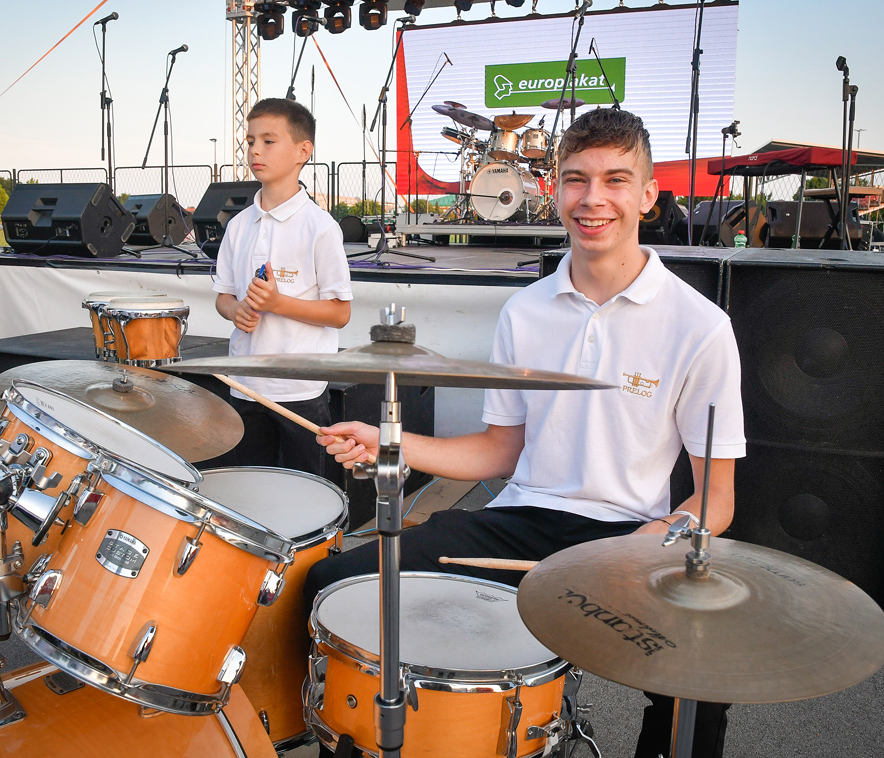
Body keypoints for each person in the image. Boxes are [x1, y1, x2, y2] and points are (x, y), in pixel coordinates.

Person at [307, 107, 745, 758]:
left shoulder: (700, 327)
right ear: (555, 190)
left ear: (648, 196)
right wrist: (390, 444)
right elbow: (499, 451)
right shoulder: (525, 311)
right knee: (334, 583)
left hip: (628, 535)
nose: (593, 198)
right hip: (520, 520)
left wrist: (652, 543)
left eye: (616, 180)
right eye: (576, 179)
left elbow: (716, 498)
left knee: (703, 676)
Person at [211, 98, 352, 478]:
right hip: (245, 385)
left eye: (269, 141)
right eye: (250, 141)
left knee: (305, 489)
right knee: (251, 484)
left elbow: (340, 313)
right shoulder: (238, 225)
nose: (255, 150)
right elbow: (224, 296)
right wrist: (235, 310)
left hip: (299, 390)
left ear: (303, 151)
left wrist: (278, 302)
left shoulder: (320, 227)